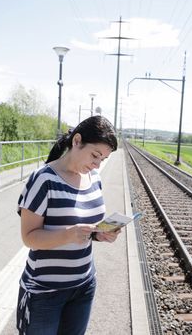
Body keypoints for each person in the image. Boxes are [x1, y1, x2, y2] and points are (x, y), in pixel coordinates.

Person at [16, 115, 120, 335]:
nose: (96, 164)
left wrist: (98, 234)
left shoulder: (94, 179)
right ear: (77, 141)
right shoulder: (43, 179)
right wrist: (69, 234)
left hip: (84, 286)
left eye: (103, 159)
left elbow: (83, 227)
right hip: (44, 292)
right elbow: (29, 237)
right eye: (95, 155)